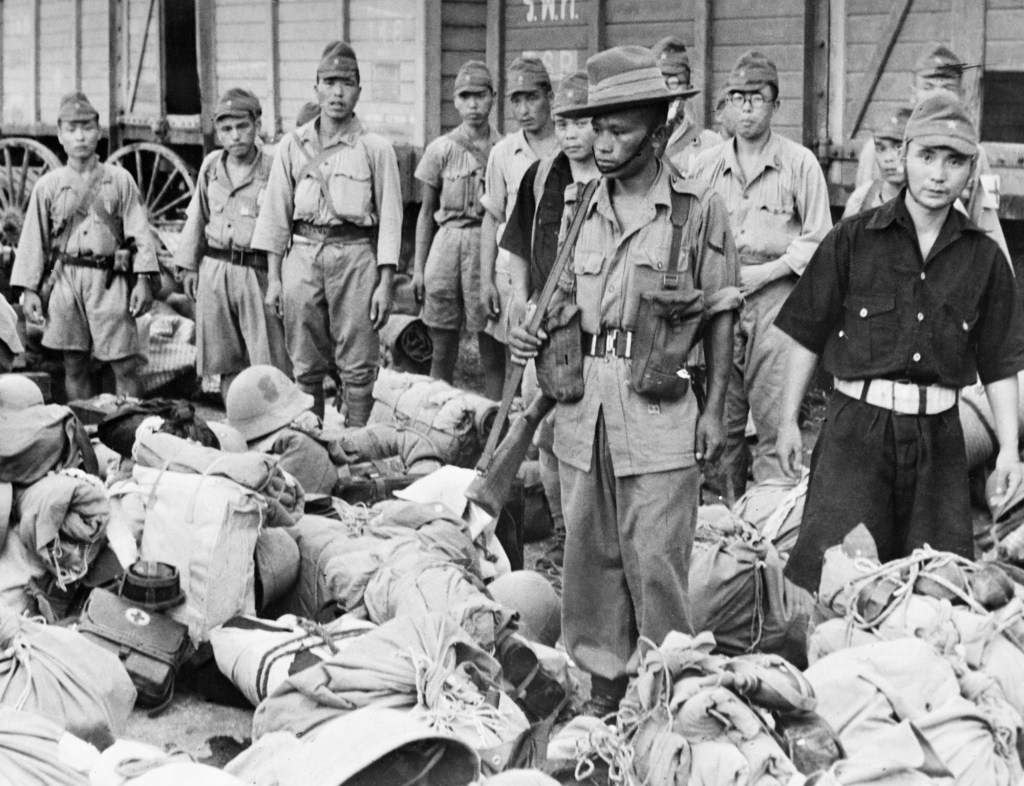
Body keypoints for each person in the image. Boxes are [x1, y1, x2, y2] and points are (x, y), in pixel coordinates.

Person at [509, 46, 740, 715]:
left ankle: (671, 703)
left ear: (660, 130)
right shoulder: (577, 205)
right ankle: (600, 699)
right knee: (588, 566)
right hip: (585, 407)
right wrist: (531, 328)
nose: (602, 144)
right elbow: (557, 300)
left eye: (620, 130)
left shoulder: (699, 213)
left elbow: (723, 315)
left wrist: (714, 411)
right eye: (596, 129)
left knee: (657, 566)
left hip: (661, 407)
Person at [775, 94, 1024, 593]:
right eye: (927, 157)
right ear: (904, 155)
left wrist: (1009, 451)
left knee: (936, 588)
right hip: (855, 436)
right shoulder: (852, 239)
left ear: (971, 170)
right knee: (835, 583)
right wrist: (786, 421)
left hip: (939, 442)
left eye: (954, 161)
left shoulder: (984, 259)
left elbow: (999, 362)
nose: (938, 174)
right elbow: (806, 332)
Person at [689, 51, 832, 498]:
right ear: (726, 106)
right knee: (721, 417)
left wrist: (767, 272)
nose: (746, 107)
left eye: (757, 97)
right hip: (720, 301)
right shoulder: (705, 165)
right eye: (737, 97)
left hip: (778, 302)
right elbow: (689, 234)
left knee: (774, 416)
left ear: (775, 105)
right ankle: (729, 524)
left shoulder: (799, 163)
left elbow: (819, 239)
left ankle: (773, 521)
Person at [251, 41, 402, 426]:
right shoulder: (292, 145)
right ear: (316, 85)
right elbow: (275, 215)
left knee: (358, 363)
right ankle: (312, 441)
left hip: (354, 257)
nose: (338, 92)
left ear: (358, 91)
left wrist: (386, 284)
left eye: (347, 83)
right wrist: (274, 281)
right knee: (305, 362)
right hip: (301, 255)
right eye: (330, 82)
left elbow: (389, 220)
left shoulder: (375, 148)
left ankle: (356, 443)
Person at [499, 70, 599, 574]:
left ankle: (584, 540)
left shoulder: (613, 180)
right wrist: (520, 299)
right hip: (545, 323)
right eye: (562, 121)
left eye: (581, 121)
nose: (570, 133)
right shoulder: (540, 176)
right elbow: (517, 242)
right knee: (547, 436)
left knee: (582, 437)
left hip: (593, 325)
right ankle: (561, 534)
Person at [12, 92, 157, 401]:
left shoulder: (119, 180)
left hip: (110, 280)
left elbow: (139, 232)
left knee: (125, 363)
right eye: (72, 129)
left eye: (88, 128)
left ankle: (132, 430)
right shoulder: (48, 186)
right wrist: (30, 290)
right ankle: (81, 432)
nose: (80, 136)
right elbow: (33, 241)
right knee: (74, 364)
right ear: (60, 136)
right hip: (65, 279)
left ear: (99, 131)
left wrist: (143, 280)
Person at [174, 88, 290, 401]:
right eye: (226, 129)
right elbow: (197, 217)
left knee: (268, 361)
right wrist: (188, 266)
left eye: (243, 127)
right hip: (215, 270)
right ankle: (236, 429)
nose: (235, 136)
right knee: (226, 363)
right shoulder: (212, 166)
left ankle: (274, 433)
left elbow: (284, 223)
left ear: (257, 125)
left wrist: (279, 278)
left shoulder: (273, 167)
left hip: (257, 271)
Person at [854, 43, 1009, 262]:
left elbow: (989, 223)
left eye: (947, 88)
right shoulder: (875, 149)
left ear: (963, 95)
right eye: (928, 87)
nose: (937, 97)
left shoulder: (976, 154)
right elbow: (862, 213)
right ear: (912, 94)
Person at [412, 61, 501, 384]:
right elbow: (425, 213)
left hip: (486, 243)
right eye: (465, 96)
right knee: (442, 347)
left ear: (493, 96)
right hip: (445, 245)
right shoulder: (440, 149)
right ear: (455, 101)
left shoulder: (503, 150)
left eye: (480, 95)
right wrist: (419, 268)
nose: (473, 105)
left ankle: (495, 424)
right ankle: (440, 417)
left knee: (491, 347)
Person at [478, 57, 559, 400]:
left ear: (549, 96)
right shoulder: (503, 153)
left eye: (532, 98)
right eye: (516, 100)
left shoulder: (569, 146)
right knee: (513, 366)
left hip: (555, 276)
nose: (524, 109)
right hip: (510, 276)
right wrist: (485, 280)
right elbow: (493, 217)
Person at [651, 36, 721, 175]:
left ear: (688, 89)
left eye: (674, 83)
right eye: (659, 84)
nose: (666, 93)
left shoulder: (713, 146)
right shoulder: (633, 142)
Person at [843, 109, 911, 217]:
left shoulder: (932, 199)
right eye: (881, 149)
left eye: (898, 147)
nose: (888, 158)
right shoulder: (861, 198)